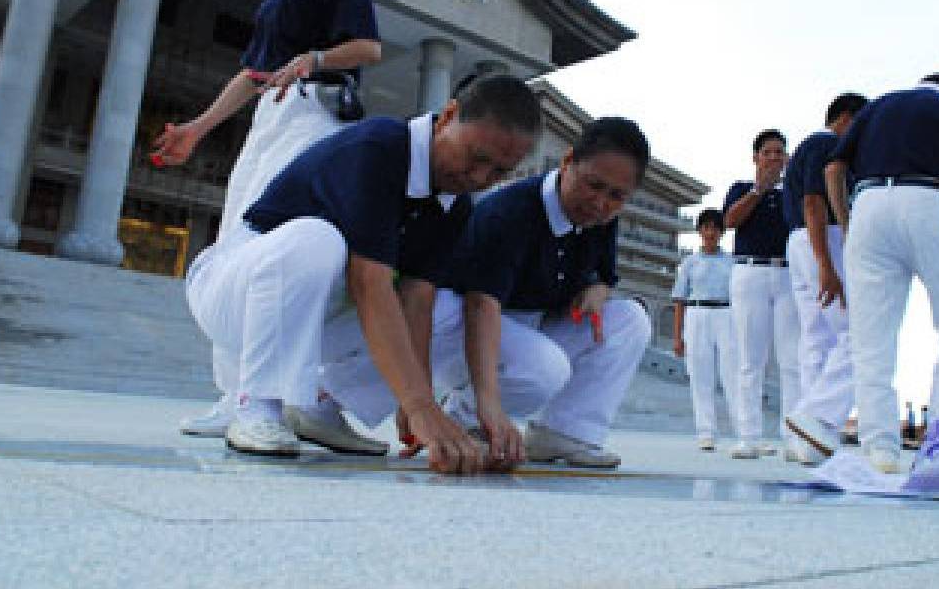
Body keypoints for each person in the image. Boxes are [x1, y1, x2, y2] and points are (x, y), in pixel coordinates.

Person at [184, 75, 541, 474]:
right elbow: (369, 283)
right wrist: (419, 406)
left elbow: (416, 303)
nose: (479, 178)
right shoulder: (379, 147)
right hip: (235, 291)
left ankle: (320, 406)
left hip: (314, 313)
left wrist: (416, 401)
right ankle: (257, 405)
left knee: (446, 312)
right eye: (476, 157)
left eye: (499, 172)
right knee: (317, 238)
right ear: (448, 116)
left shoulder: (453, 207)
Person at [161, 0, 381, 438]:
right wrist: (201, 127)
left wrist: (316, 58)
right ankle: (234, 395)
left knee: (287, 243)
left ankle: (299, 398)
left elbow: (368, 47)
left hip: (313, 116)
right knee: (237, 239)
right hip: (270, 118)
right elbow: (252, 72)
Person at [387, 117, 654, 469]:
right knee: (545, 366)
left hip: (525, 327)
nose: (600, 202)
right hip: (456, 321)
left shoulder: (600, 218)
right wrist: (489, 405)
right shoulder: (511, 212)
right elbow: (481, 306)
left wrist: (598, 288)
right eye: (593, 185)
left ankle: (566, 432)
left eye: (616, 196)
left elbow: (604, 273)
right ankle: (465, 419)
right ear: (567, 161)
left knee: (630, 319)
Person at [825, 71, 939, 473]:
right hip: (928, 202)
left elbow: (833, 170)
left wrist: (849, 224)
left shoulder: (877, 108)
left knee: (872, 340)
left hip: (868, 204)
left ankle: (880, 450)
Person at [781, 92, 867, 465]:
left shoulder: (809, 146)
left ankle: (804, 440)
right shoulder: (827, 144)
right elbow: (814, 202)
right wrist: (827, 265)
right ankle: (817, 415)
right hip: (822, 238)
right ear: (847, 119)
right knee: (858, 333)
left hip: (800, 242)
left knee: (817, 338)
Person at [723, 129, 800, 459]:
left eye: (779, 152)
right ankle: (749, 436)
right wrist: (759, 190)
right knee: (750, 359)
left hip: (788, 273)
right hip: (749, 272)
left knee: (791, 359)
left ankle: (793, 437)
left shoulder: (793, 193)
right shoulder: (741, 189)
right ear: (755, 157)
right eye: (767, 152)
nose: (773, 157)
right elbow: (730, 221)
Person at [671, 209, 736, 451]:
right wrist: (678, 337)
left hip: (726, 314)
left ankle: (744, 431)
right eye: (706, 228)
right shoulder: (689, 263)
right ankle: (706, 432)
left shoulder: (731, 263)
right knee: (701, 377)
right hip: (697, 315)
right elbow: (679, 299)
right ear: (699, 231)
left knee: (732, 375)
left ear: (721, 232)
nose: (710, 233)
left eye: (715, 228)